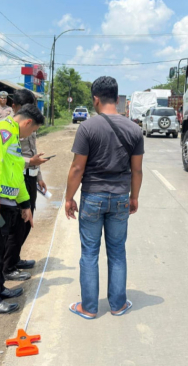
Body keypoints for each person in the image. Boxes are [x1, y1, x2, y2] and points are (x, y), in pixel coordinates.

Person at [64, 76, 144, 319]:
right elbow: (137, 170)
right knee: (117, 251)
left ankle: (88, 308)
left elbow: (77, 168)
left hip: (93, 197)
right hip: (120, 197)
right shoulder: (135, 129)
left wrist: (69, 198)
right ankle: (118, 305)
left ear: (96, 99)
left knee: (89, 252)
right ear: (118, 99)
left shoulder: (88, 128)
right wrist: (134, 197)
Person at [0, 104, 46, 315]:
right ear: (27, 122)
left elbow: (16, 173)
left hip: (6, 205)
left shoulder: (14, 136)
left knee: (0, 249)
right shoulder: (1, 131)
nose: (31, 134)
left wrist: (25, 205)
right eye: (32, 130)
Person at [3, 89, 48, 281]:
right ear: (15, 108)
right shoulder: (7, 129)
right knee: (17, 223)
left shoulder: (29, 124)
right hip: (16, 177)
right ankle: (8, 265)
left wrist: (38, 176)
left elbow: (33, 151)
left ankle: (15, 258)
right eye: (25, 108)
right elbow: (8, 158)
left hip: (29, 176)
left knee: (27, 220)